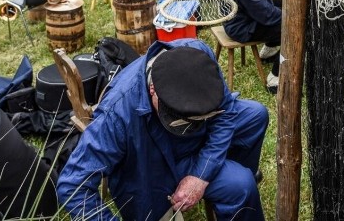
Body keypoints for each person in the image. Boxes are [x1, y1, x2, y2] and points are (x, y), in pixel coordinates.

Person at [57, 39, 269, 221]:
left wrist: (201, 175)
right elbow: (72, 186)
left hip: (199, 142)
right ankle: (235, 188)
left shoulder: (197, 55)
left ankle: (230, 195)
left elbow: (226, 113)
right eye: (179, 121)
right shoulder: (118, 114)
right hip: (157, 158)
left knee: (255, 114)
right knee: (241, 185)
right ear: (153, 91)